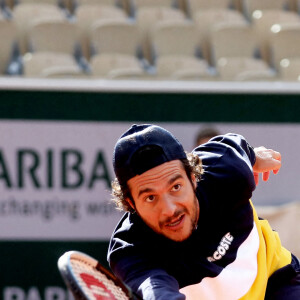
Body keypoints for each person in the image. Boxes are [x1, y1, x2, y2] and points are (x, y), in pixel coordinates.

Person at [107, 124, 300, 300]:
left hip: (276, 280)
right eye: (150, 197)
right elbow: (156, 291)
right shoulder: (129, 252)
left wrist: (254, 156)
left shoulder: (227, 169)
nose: (170, 209)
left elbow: (235, 145)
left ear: (193, 177)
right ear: (131, 203)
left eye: (175, 187)